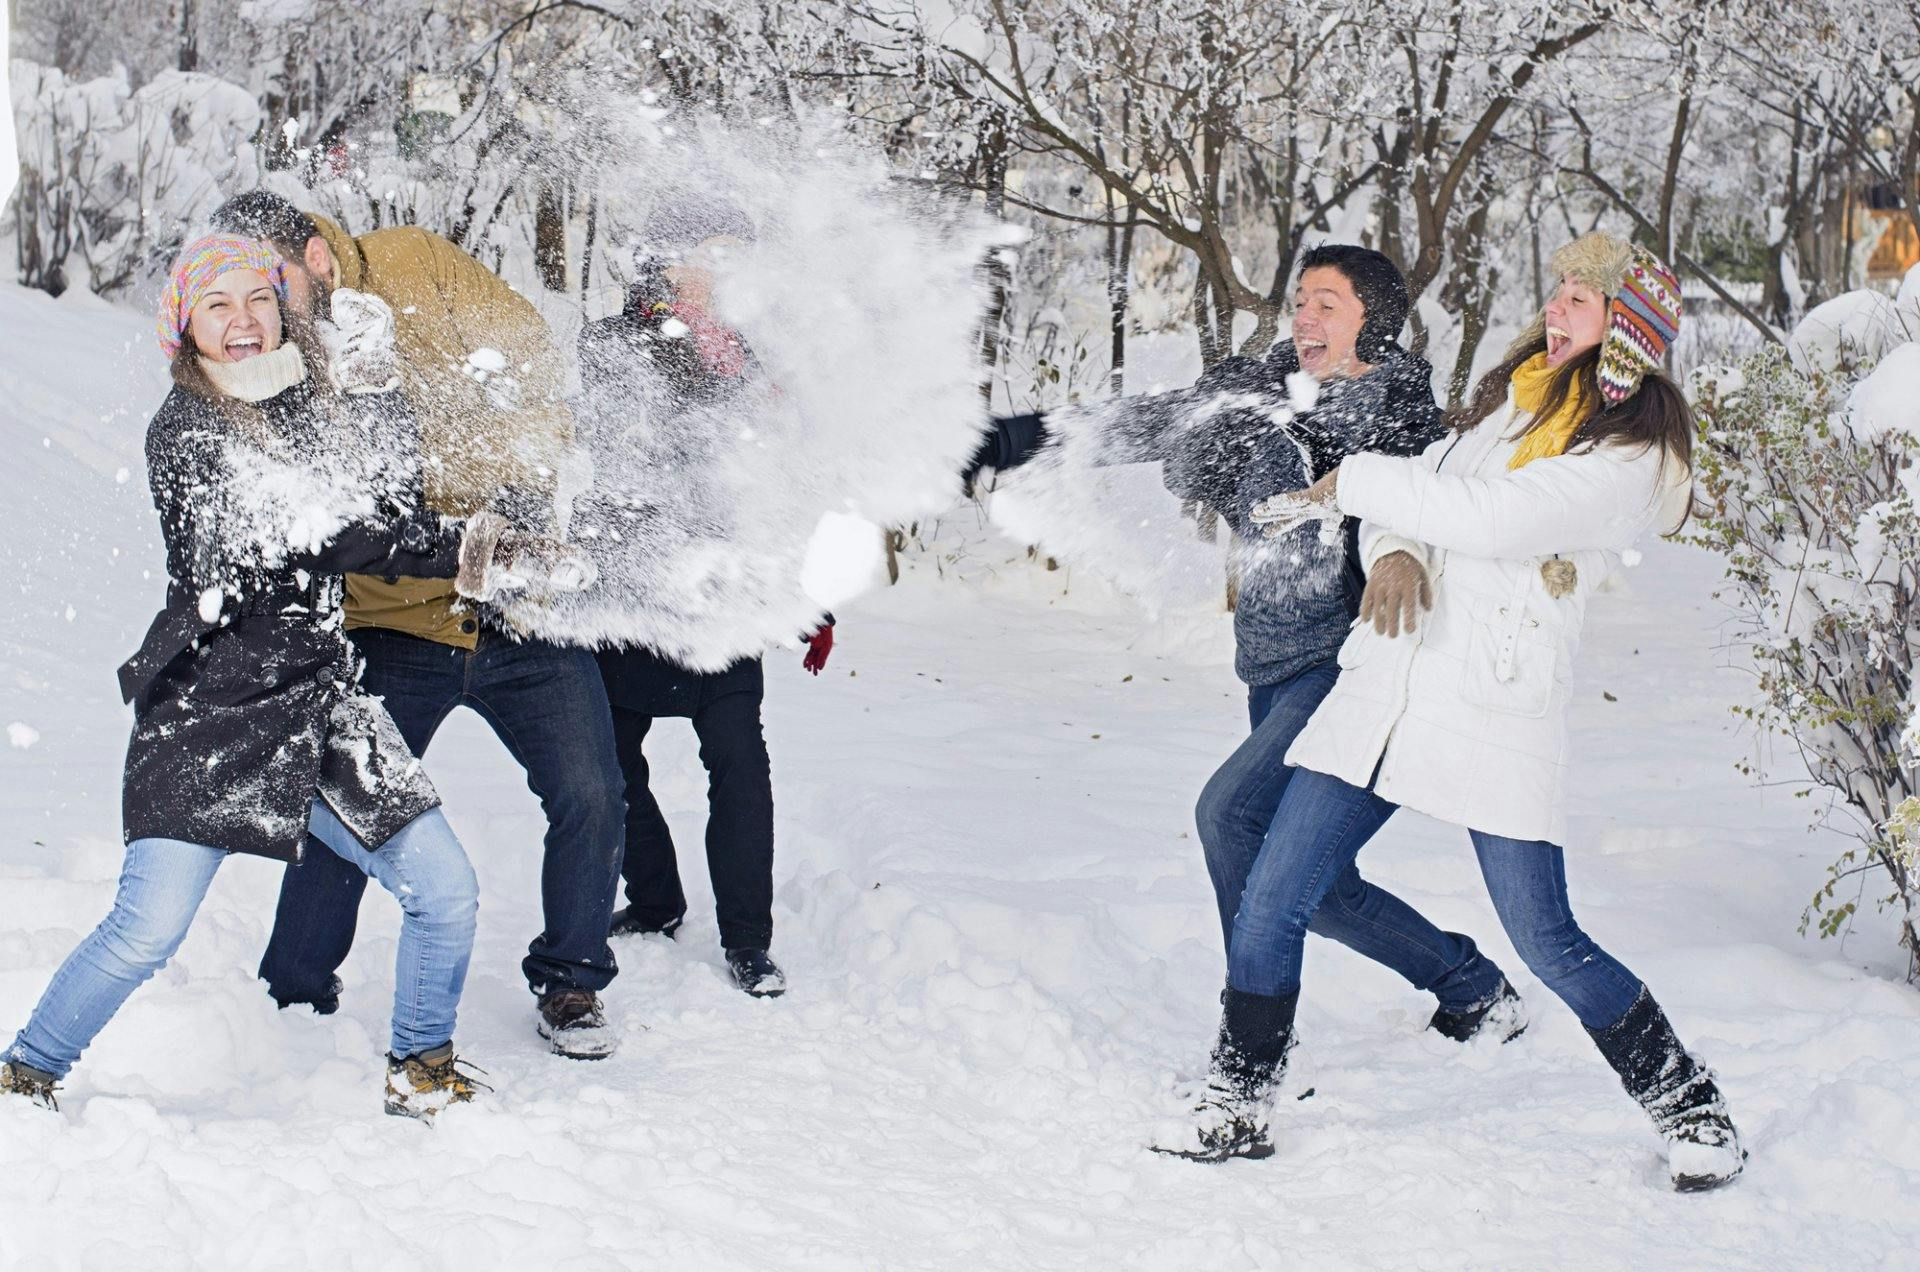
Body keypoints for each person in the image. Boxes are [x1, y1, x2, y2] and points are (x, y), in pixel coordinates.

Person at [1157, 232, 1745, 1191]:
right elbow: (1432, 488)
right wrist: (1393, 548)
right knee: (1273, 886)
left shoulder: (1623, 456)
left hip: (1491, 708)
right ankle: (1238, 1097)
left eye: (1581, 304)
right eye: (1557, 293)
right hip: (1388, 683)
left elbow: (1495, 520)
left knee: (1548, 939)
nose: (1555, 311)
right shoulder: (1510, 407)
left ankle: (1691, 1108)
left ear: (1625, 336)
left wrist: (1356, 484)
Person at [0, 235, 560, 1118]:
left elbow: (385, 505)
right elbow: (306, 534)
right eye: (216, 305)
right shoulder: (182, 431)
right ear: (186, 327)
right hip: (211, 714)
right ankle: (24, 1070)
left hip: (320, 703)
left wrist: (378, 403)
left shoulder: (313, 402)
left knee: (444, 891)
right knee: (145, 931)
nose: (244, 320)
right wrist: (462, 550)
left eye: (257, 298)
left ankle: (420, 1068)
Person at [966, 246, 1525, 1061]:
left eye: (1327, 304)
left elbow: (1418, 523)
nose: (1303, 317)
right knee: (1318, 888)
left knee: (1232, 816)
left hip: (1350, 670)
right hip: (1272, 665)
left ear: (1373, 319)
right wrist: (1013, 439)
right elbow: (1152, 422)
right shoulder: (1263, 385)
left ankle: (1255, 1043)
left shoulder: (1401, 424)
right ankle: (1472, 988)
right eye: (1300, 300)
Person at [210, 192, 629, 1060]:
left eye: (268, 280)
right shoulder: (279, 358)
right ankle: (292, 993)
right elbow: (338, 502)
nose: (258, 305)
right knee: (345, 808)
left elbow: (521, 355)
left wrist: (509, 468)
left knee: (591, 792)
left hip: (522, 612)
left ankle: (573, 982)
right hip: (394, 621)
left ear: (314, 258)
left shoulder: (414, 261)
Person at [575, 200, 833, 998]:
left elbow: (787, 484)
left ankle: (748, 940)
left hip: (726, 595)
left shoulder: (760, 356)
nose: (724, 273)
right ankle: (654, 899)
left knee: (739, 763)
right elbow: (615, 462)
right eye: (708, 255)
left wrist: (811, 593)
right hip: (634, 587)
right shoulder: (611, 345)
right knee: (614, 765)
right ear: (665, 260)